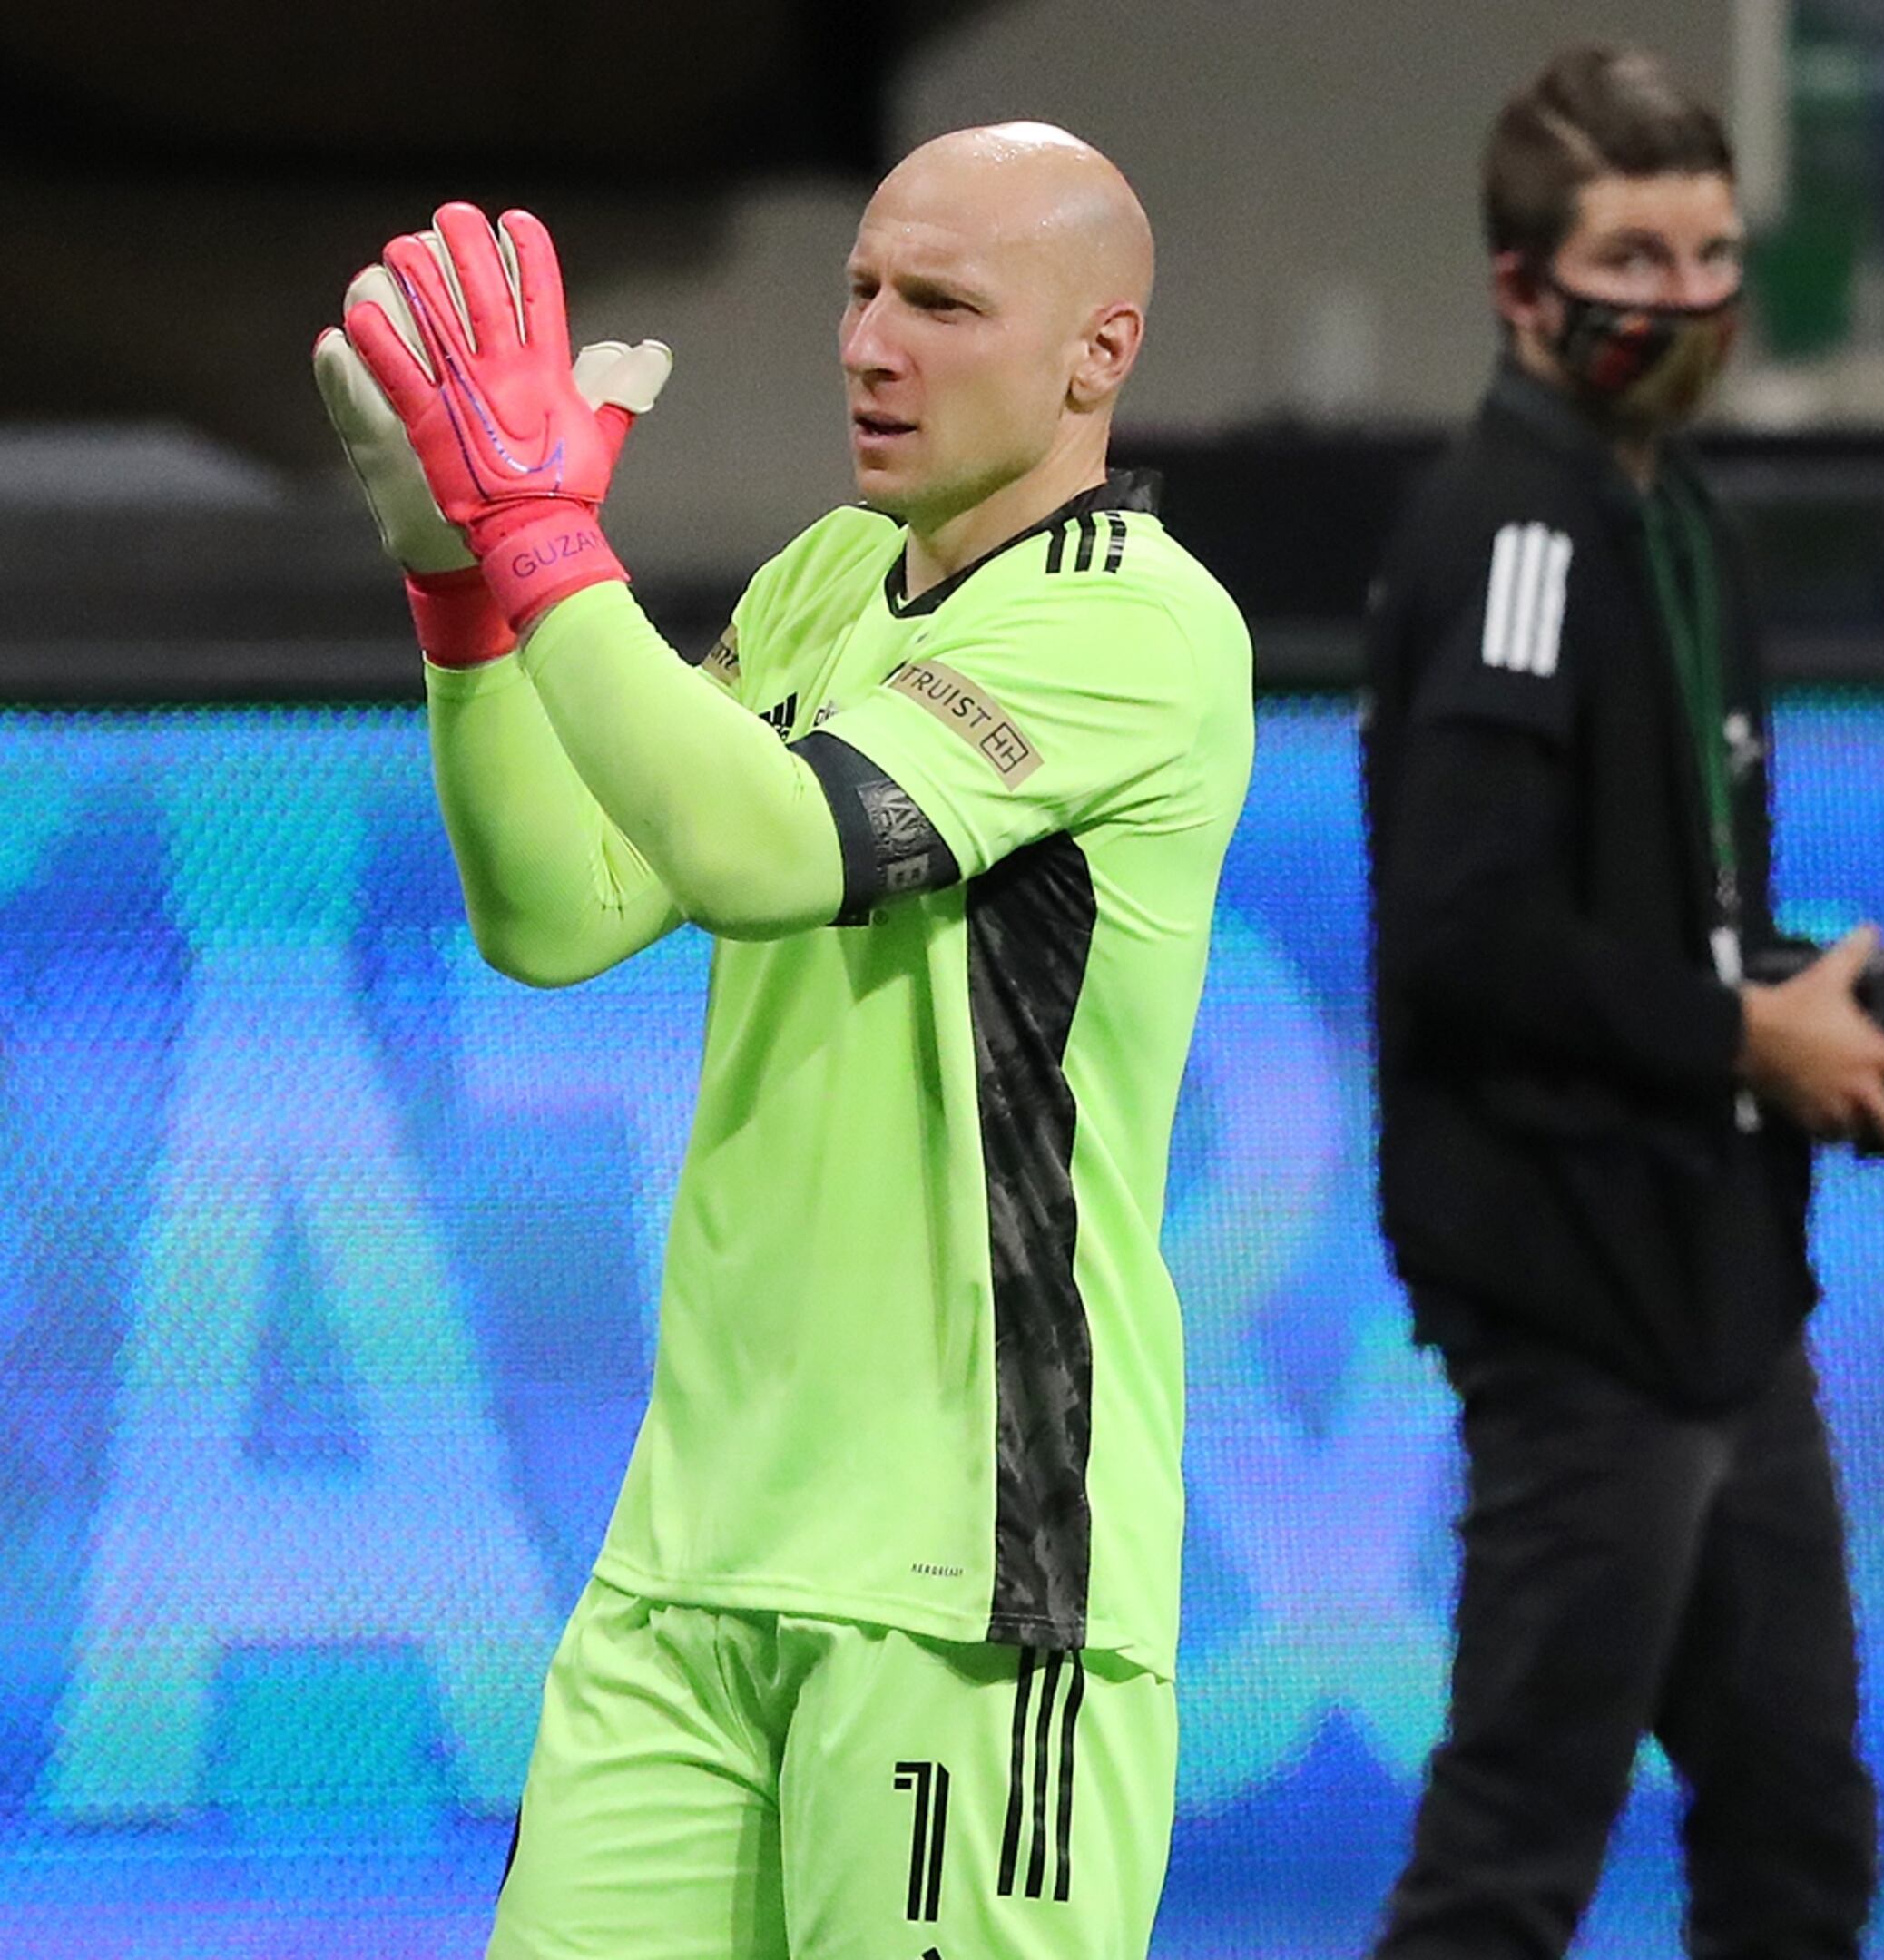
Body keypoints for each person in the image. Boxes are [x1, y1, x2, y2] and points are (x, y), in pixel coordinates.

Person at [309, 122, 1251, 1959]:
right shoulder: (826, 577)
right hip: (692, 1563)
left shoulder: (1143, 628)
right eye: (862, 290)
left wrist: (542, 541)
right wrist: (464, 604)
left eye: (945, 305)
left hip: (971, 1587)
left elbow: (761, 853)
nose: (873, 343)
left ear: (1098, 355)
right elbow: (561, 912)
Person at [1358, 44, 1884, 1960]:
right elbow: (1466, 935)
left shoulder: (1676, 521)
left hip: (1722, 1302)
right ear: (1523, 289)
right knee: (1516, 1852)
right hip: (1581, 1300)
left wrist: (1881, 1002)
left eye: (1710, 253)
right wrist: (1741, 1035)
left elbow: (1672, 930)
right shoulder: (1515, 536)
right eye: (1635, 257)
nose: (1685, 299)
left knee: (1794, 1832)